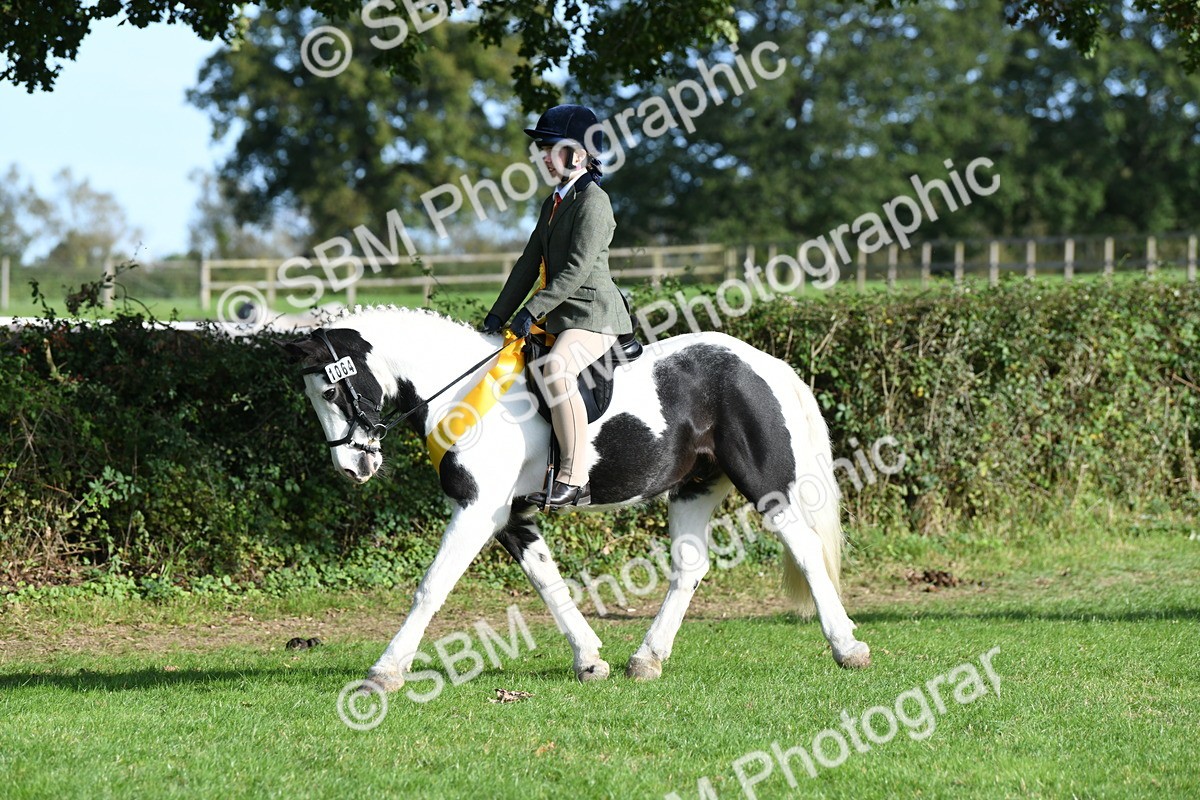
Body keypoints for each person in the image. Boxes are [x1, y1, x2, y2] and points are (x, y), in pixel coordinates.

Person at [482, 104, 634, 509]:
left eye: (551, 148)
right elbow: (528, 263)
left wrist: (532, 310)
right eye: (543, 150)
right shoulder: (553, 201)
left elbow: (576, 271)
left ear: (578, 154)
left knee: (556, 369)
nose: (544, 157)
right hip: (562, 314)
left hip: (594, 315)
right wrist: (499, 313)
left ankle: (574, 477)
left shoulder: (594, 202)